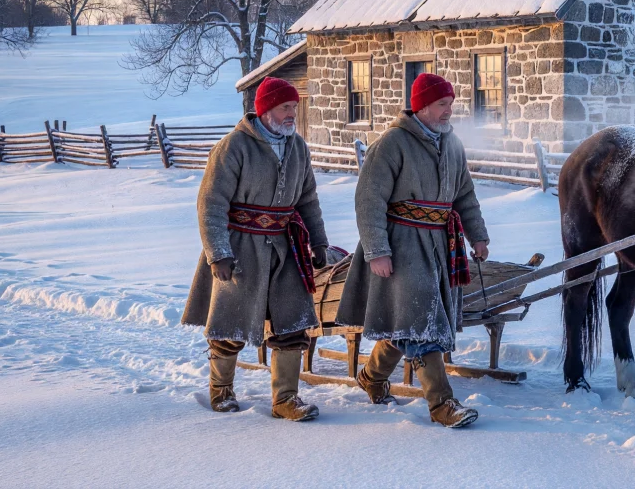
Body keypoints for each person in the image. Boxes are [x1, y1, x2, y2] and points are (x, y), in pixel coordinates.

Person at [337, 73, 491, 428]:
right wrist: (377, 251)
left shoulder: (452, 144)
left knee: (411, 320)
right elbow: (368, 199)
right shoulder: (392, 143)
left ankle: (372, 377)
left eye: (451, 103)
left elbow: (464, 195)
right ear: (421, 105)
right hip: (402, 243)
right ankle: (441, 404)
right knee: (422, 320)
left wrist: (477, 236)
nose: (449, 111)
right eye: (442, 104)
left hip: (440, 243)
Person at [181, 76, 330, 421]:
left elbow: (308, 200)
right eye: (285, 107)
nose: (293, 113)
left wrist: (319, 241)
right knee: (230, 324)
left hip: (285, 247)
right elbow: (211, 202)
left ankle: (285, 400)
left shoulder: (298, 148)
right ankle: (221, 392)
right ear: (264, 110)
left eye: (295, 106)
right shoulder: (234, 147)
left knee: (292, 324)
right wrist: (218, 253)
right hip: (240, 246)